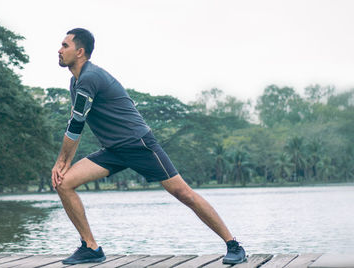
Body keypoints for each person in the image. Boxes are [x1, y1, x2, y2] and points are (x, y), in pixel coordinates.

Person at [50, 28, 246, 265]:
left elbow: (77, 124)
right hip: (113, 150)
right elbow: (76, 121)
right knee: (65, 183)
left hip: (138, 144)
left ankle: (233, 245)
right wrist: (63, 165)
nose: (59, 50)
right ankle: (91, 247)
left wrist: (62, 162)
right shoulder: (76, 81)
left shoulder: (90, 77)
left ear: (80, 52)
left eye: (65, 46)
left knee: (183, 193)